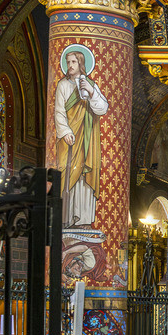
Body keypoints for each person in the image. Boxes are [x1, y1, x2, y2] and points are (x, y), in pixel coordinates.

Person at [53, 45, 107, 228]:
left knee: (85, 175)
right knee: (67, 173)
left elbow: (102, 108)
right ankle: (66, 218)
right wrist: (66, 132)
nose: (70, 65)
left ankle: (83, 219)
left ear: (81, 63)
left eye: (74, 62)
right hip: (69, 138)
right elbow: (59, 112)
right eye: (68, 62)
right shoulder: (63, 85)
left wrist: (91, 92)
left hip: (88, 139)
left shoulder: (90, 84)